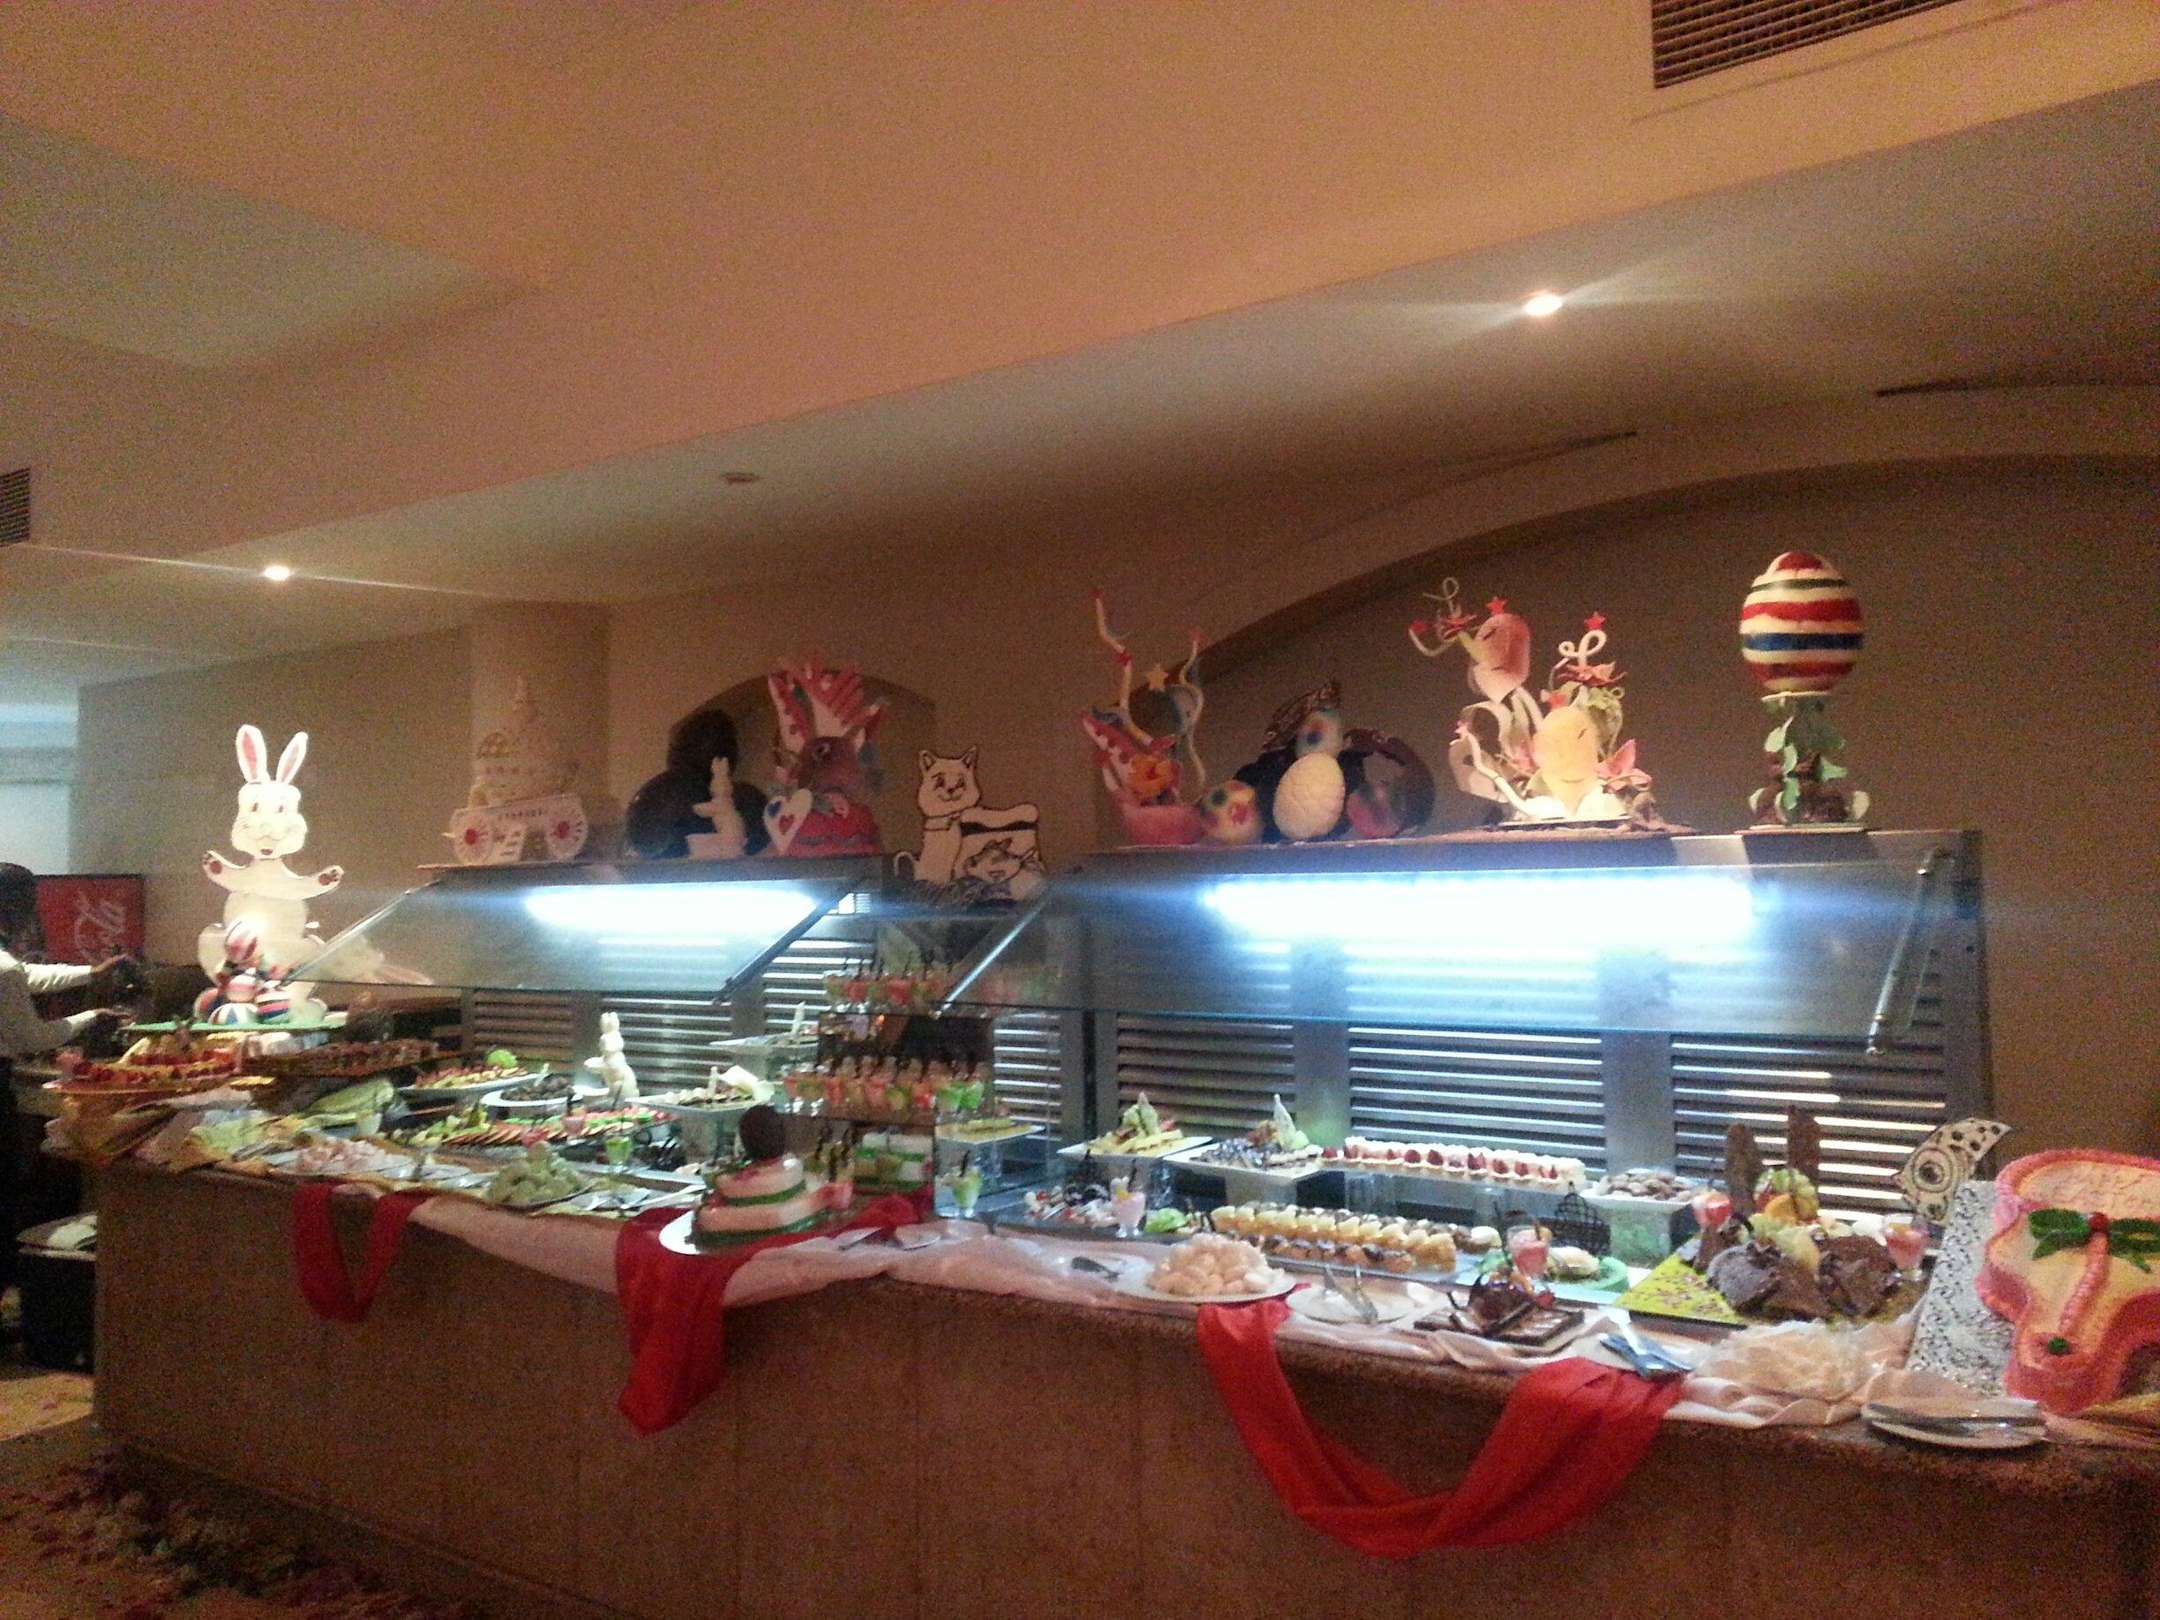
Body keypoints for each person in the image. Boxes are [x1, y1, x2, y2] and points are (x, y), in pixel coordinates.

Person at [0, 865, 128, 1060]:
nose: (33, 917)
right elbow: (30, 1039)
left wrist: (92, 972)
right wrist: (91, 1017)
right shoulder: (7, 969)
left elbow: (23, 975)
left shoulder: (9, 969)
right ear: (14, 910)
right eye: (31, 907)